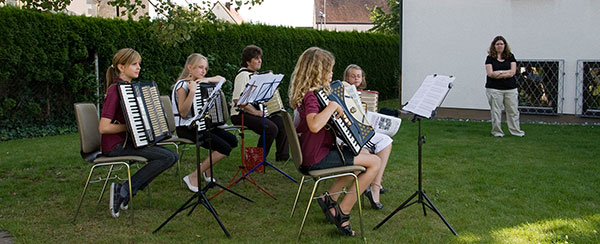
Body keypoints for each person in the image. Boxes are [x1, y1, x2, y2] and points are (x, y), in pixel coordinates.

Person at [289, 47, 380, 236]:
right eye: (329, 70)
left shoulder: (309, 93)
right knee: (375, 162)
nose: (331, 74)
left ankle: (328, 198)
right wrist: (332, 107)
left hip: (312, 153)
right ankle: (342, 212)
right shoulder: (312, 96)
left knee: (363, 155)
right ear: (318, 71)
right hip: (316, 158)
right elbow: (314, 125)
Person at [99, 48, 178, 218]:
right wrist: (131, 126)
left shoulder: (131, 88)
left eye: (139, 64)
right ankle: (124, 190)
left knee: (171, 155)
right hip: (116, 146)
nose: (138, 67)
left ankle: (125, 190)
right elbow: (104, 127)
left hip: (129, 142)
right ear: (121, 66)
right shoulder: (115, 89)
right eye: (134, 64)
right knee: (168, 157)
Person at [171, 53, 238, 192]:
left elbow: (222, 79)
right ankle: (193, 176)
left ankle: (206, 168)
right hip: (186, 127)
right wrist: (192, 92)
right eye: (200, 67)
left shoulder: (200, 81)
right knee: (224, 148)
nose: (203, 71)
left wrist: (206, 80)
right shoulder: (182, 86)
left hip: (202, 125)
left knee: (232, 140)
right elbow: (183, 112)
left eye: (205, 68)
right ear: (190, 67)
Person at [343, 64, 392, 210]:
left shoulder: (366, 95)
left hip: (362, 130)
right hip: (349, 132)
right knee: (381, 143)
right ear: (346, 77)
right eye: (353, 76)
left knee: (385, 140)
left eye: (359, 76)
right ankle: (374, 185)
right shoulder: (343, 90)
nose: (356, 78)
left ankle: (375, 183)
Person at [230, 45, 289, 161]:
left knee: (282, 122)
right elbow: (237, 100)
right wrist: (256, 112)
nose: (260, 61)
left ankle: (283, 157)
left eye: (260, 58)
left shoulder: (256, 76)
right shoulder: (243, 76)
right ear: (247, 61)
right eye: (256, 58)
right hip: (240, 114)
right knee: (270, 128)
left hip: (252, 112)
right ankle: (256, 160)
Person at [485, 36, 525, 137]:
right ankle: (497, 132)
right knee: (496, 111)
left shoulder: (510, 56)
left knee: (513, 111)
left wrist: (499, 73)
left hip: (510, 89)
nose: (500, 46)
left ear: (505, 45)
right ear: (494, 46)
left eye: (501, 44)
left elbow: (512, 72)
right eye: (497, 44)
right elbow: (490, 73)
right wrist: (505, 73)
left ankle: (516, 131)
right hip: (494, 89)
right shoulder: (490, 58)